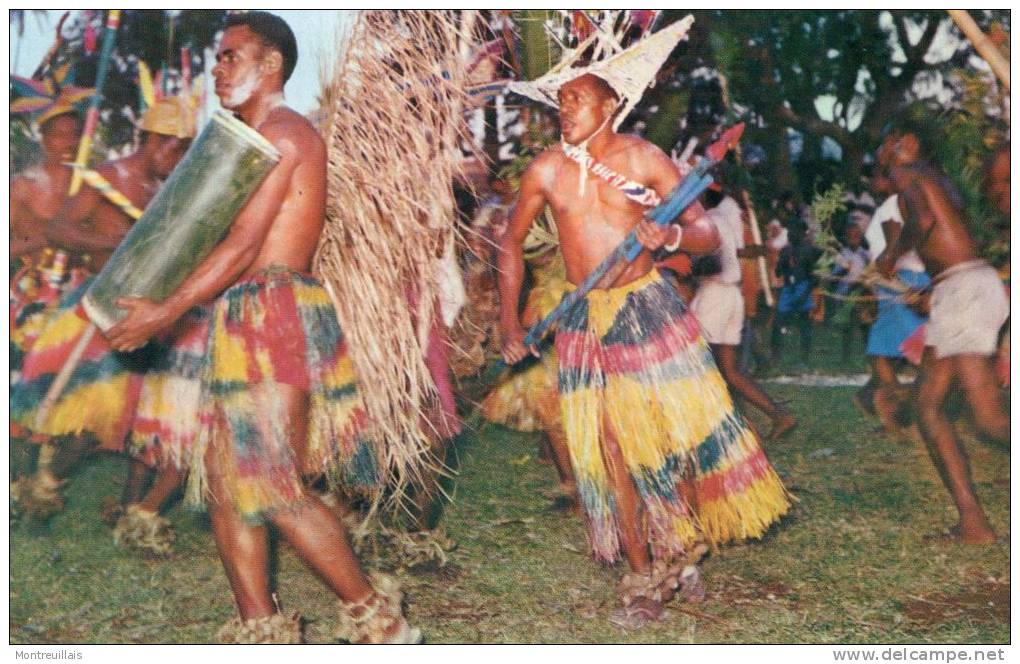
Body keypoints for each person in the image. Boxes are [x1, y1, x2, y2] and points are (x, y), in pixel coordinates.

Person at [103, 12, 418, 643]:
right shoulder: (242, 139)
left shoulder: (284, 131)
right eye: (216, 57)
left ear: (270, 63)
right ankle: (260, 632)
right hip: (242, 313)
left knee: (274, 485)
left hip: (275, 309)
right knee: (226, 484)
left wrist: (163, 314)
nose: (216, 68)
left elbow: (246, 245)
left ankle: (382, 625)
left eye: (230, 55)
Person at [501, 20, 790, 630]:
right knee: (610, 449)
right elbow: (510, 246)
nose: (564, 109)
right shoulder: (547, 170)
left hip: (647, 308)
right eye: (559, 101)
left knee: (671, 439)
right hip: (585, 322)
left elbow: (712, 234)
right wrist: (508, 321)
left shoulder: (643, 158)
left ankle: (681, 553)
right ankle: (640, 573)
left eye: (575, 97)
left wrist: (674, 233)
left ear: (610, 103)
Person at [10, 98, 193, 526]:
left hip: (139, 314)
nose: (181, 159)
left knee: (115, 422)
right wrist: (121, 246)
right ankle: (36, 487)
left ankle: (45, 486)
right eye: (177, 148)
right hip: (96, 308)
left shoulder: (163, 188)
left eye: (186, 151)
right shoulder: (109, 177)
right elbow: (59, 230)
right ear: (154, 141)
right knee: (80, 416)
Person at [875, 121, 1009, 545]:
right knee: (928, 407)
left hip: (966, 291)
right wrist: (934, 289)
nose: (891, 150)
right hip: (960, 290)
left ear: (909, 145)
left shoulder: (908, 174)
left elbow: (926, 219)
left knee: (989, 421)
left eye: (896, 142)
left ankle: (974, 521)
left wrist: (895, 250)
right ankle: (974, 522)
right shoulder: (932, 176)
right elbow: (948, 241)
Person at [690, 189, 797, 441]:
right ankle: (778, 415)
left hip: (715, 295)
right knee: (731, 371)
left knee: (699, 366)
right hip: (731, 296)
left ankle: (740, 428)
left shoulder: (707, 221)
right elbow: (735, 254)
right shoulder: (721, 219)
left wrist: (680, 257)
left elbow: (712, 264)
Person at [856, 190, 931, 433]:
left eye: (879, 173)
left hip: (906, 278)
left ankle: (929, 408)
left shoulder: (897, 202)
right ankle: (898, 411)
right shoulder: (891, 204)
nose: (872, 182)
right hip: (890, 282)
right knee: (880, 353)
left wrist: (887, 263)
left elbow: (898, 245)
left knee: (914, 351)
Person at [771, 217, 822, 365]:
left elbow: (814, 277)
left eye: (794, 232)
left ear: (803, 233)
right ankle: (775, 357)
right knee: (778, 322)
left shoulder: (809, 251)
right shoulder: (786, 250)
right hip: (788, 289)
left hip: (802, 288)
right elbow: (778, 273)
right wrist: (782, 263)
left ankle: (804, 359)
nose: (790, 235)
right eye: (789, 232)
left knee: (804, 325)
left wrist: (805, 294)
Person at [829, 222, 872, 364]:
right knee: (847, 326)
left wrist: (863, 281)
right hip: (846, 293)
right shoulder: (842, 255)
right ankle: (845, 357)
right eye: (850, 237)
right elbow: (833, 278)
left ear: (861, 238)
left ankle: (868, 356)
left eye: (857, 236)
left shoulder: (865, 254)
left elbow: (870, 273)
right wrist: (844, 270)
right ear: (846, 238)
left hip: (860, 292)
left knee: (864, 325)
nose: (854, 239)